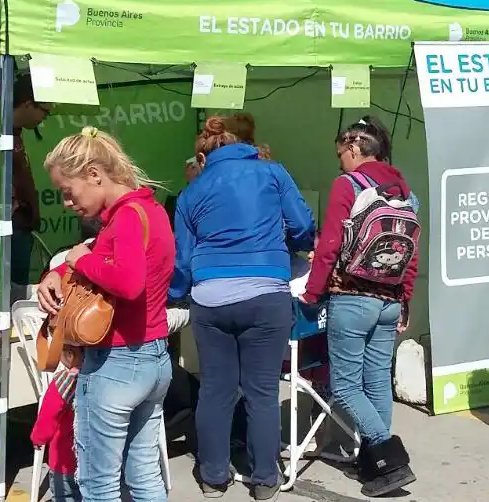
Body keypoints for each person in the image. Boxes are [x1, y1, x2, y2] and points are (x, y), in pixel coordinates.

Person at [168, 116, 314, 500]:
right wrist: (290, 243)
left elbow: (181, 262)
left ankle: (214, 476)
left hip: (210, 299)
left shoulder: (191, 193)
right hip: (266, 295)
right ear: (248, 143)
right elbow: (302, 226)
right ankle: (265, 479)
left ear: (204, 154)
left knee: (216, 389)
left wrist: (176, 293)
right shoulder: (273, 173)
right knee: (262, 391)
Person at [37, 126, 174, 502]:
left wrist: (79, 259)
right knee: (145, 473)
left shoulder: (126, 217)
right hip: (154, 357)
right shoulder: (149, 211)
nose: (67, 202)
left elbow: (127, 282)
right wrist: (59, 271)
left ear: (94, 174)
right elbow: (106, 254)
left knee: (98, 484)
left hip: (117, 362)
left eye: (69, 191)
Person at [301, 116, 419, 497]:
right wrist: (405, 301)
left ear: (354, 149)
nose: (340, 162)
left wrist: (312, 292)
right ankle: (374, 464)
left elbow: (331, 245)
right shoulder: (404, 191)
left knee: (347, 386)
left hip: (351, 298)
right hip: (388, 300)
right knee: (375, 382)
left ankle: (390, 457)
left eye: (341, 154)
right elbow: (411, 257)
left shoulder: (347, 185)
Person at [11, 74, 51, 285]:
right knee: (10, 293)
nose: (45, 117)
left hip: (21, 227)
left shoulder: (16, 133)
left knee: (17, 291)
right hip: (10, 229)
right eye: (45, 111)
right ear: (28, 104)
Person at [31, 346, 83, 502]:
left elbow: (48, 414)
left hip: (64, 460)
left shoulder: (63, 381)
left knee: (65, 496)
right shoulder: (100, 379)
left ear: (68, 354)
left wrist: (38, 437)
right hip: (94, 461)